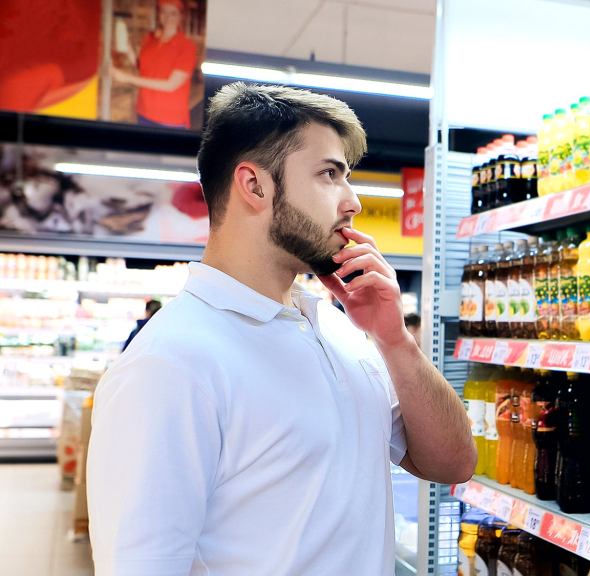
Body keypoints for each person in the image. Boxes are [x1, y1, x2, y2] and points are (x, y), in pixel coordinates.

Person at [87, 83, 476, 575]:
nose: (353, 201)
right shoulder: (169, 364)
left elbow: (452, 464)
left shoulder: (337, 327)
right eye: (329, 174)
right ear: (254, 185)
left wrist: (394, 340)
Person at [111, 0, 197, 128]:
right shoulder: (150, 39)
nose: (167, 17)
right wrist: (128, 48)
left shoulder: (186, 46)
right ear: (159, 15)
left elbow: (171, 85)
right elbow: (142, 67)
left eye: (173, 13)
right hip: (143, 112)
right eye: (164, 12)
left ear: (180, 17)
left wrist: (127, 78)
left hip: (169, 120)